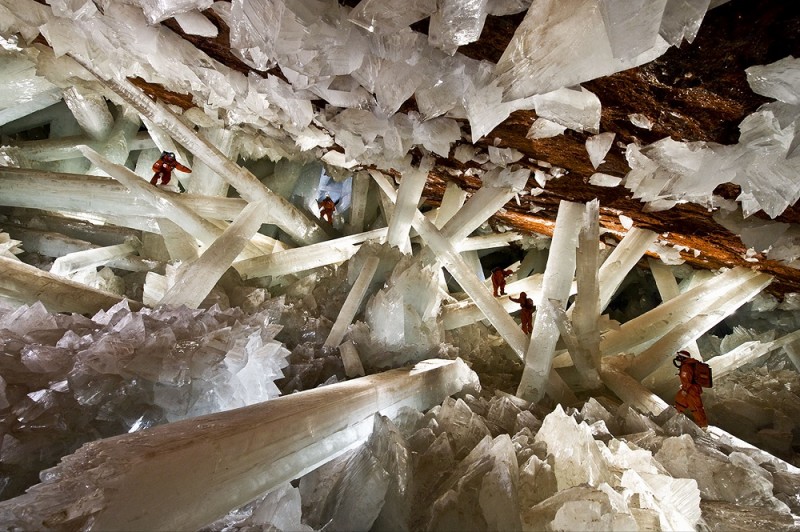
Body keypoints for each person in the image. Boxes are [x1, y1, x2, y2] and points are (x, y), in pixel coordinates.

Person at [673, 350, 709, 428]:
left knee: (696, 408)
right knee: (679, 403)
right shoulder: (689, 364)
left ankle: (703, 426)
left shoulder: (686, 366)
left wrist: (685, 389)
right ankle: (674, 419)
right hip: (689, 389)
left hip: (691, 390)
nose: (677, 358)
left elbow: (686, 379)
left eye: (679, 356)